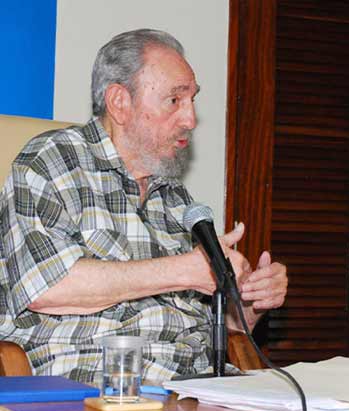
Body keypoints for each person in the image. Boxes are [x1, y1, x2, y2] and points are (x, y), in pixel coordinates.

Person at [0, 29, 287, 383]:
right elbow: (45, 289)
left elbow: (225, 325)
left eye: (192, 100)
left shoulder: (176, 198)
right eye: (174, 100)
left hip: (196, 385)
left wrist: (250, 301)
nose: (191, 120)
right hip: (100, 385)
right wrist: (184, 270)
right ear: (120, 102)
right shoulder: (53, 161)